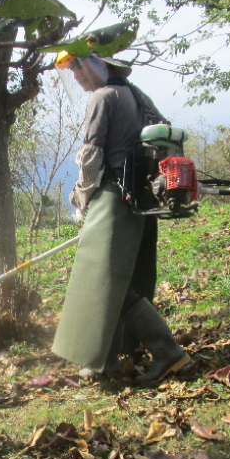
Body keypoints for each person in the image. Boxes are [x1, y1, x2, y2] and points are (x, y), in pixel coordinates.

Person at [51, 51, 191, 382]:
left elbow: (92, 155)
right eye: (71, 70)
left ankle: (168, 352)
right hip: (141, 197)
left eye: (77, 67)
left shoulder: (102, 97)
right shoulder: (134, 94)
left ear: (98, 65)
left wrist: (81, 198)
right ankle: (106, 361)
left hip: (114, 197)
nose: (76, 76)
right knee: (123, 279)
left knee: (106, 281)